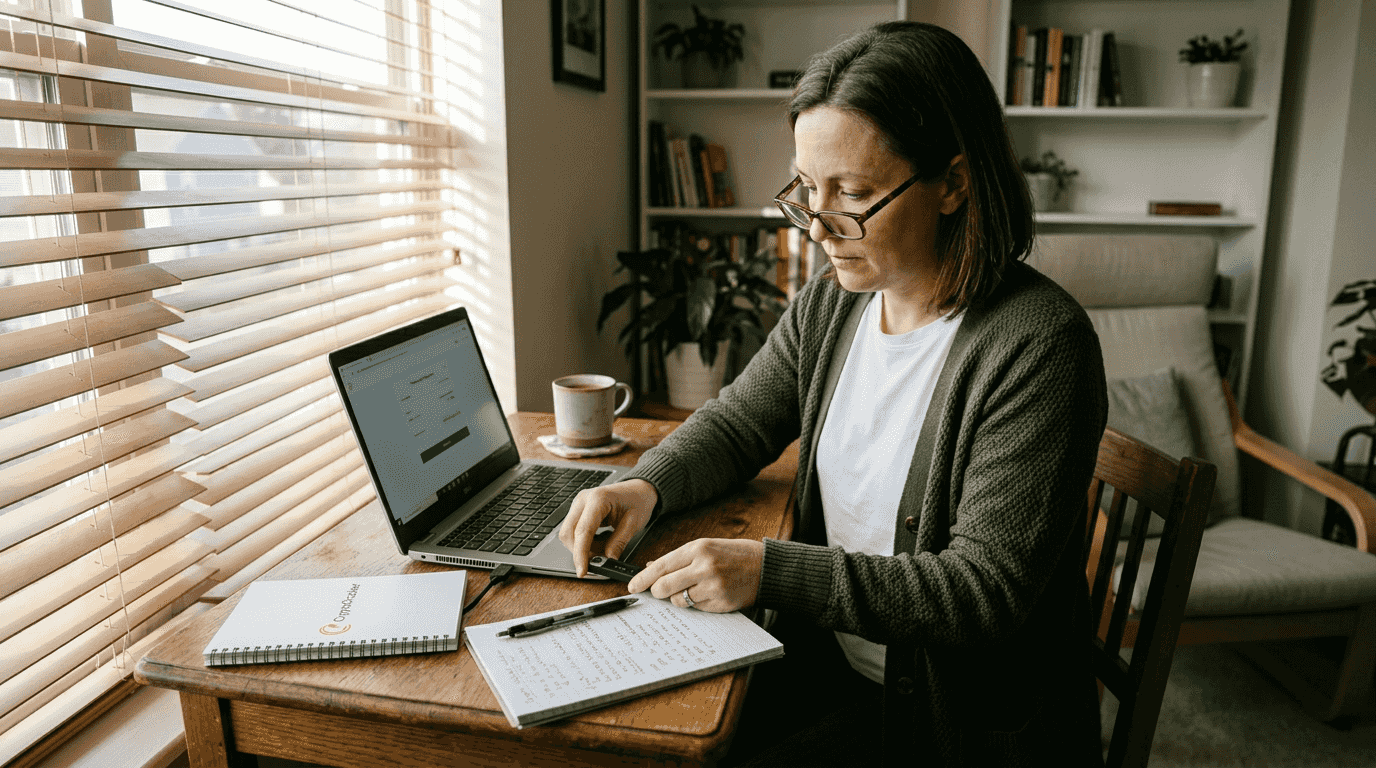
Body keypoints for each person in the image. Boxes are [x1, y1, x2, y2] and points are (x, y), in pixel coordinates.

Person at [560, 20, 1107, 768]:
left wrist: (770, 569)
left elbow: (984, 591)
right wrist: (645, 485)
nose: (817, 226)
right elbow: (739, 421)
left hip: (949, 722)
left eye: (852, 193)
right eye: (807, 189)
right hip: (833, 664)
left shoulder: (1041, 344)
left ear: (953, 182)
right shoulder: (833, 304)